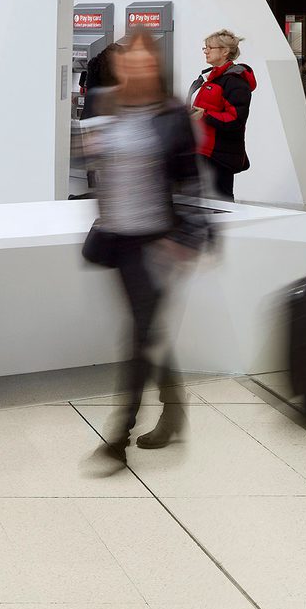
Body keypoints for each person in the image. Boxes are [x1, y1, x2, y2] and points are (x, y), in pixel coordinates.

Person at [79, 32, 208, 472]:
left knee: (137, 336)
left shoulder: (171, 113)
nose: (135, 70)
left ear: (155, 66)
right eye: (128, 63)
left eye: (144, 63)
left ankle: (119, 436)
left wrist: (187, 238)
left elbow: (190, 182)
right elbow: (96, 166)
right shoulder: (102, 103)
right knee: (147, 331)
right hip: (119, 237)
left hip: (157, 241)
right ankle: (174, 410)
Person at [188, 29, 254, 200]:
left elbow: (236, 120)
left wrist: (205, 116)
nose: (206, 51)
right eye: (205, 48)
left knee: (221, 204)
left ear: (225, 51)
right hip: (200, 151)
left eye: (210, 47)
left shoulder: (235, 81)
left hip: (219, 155)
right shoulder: (205, 78)